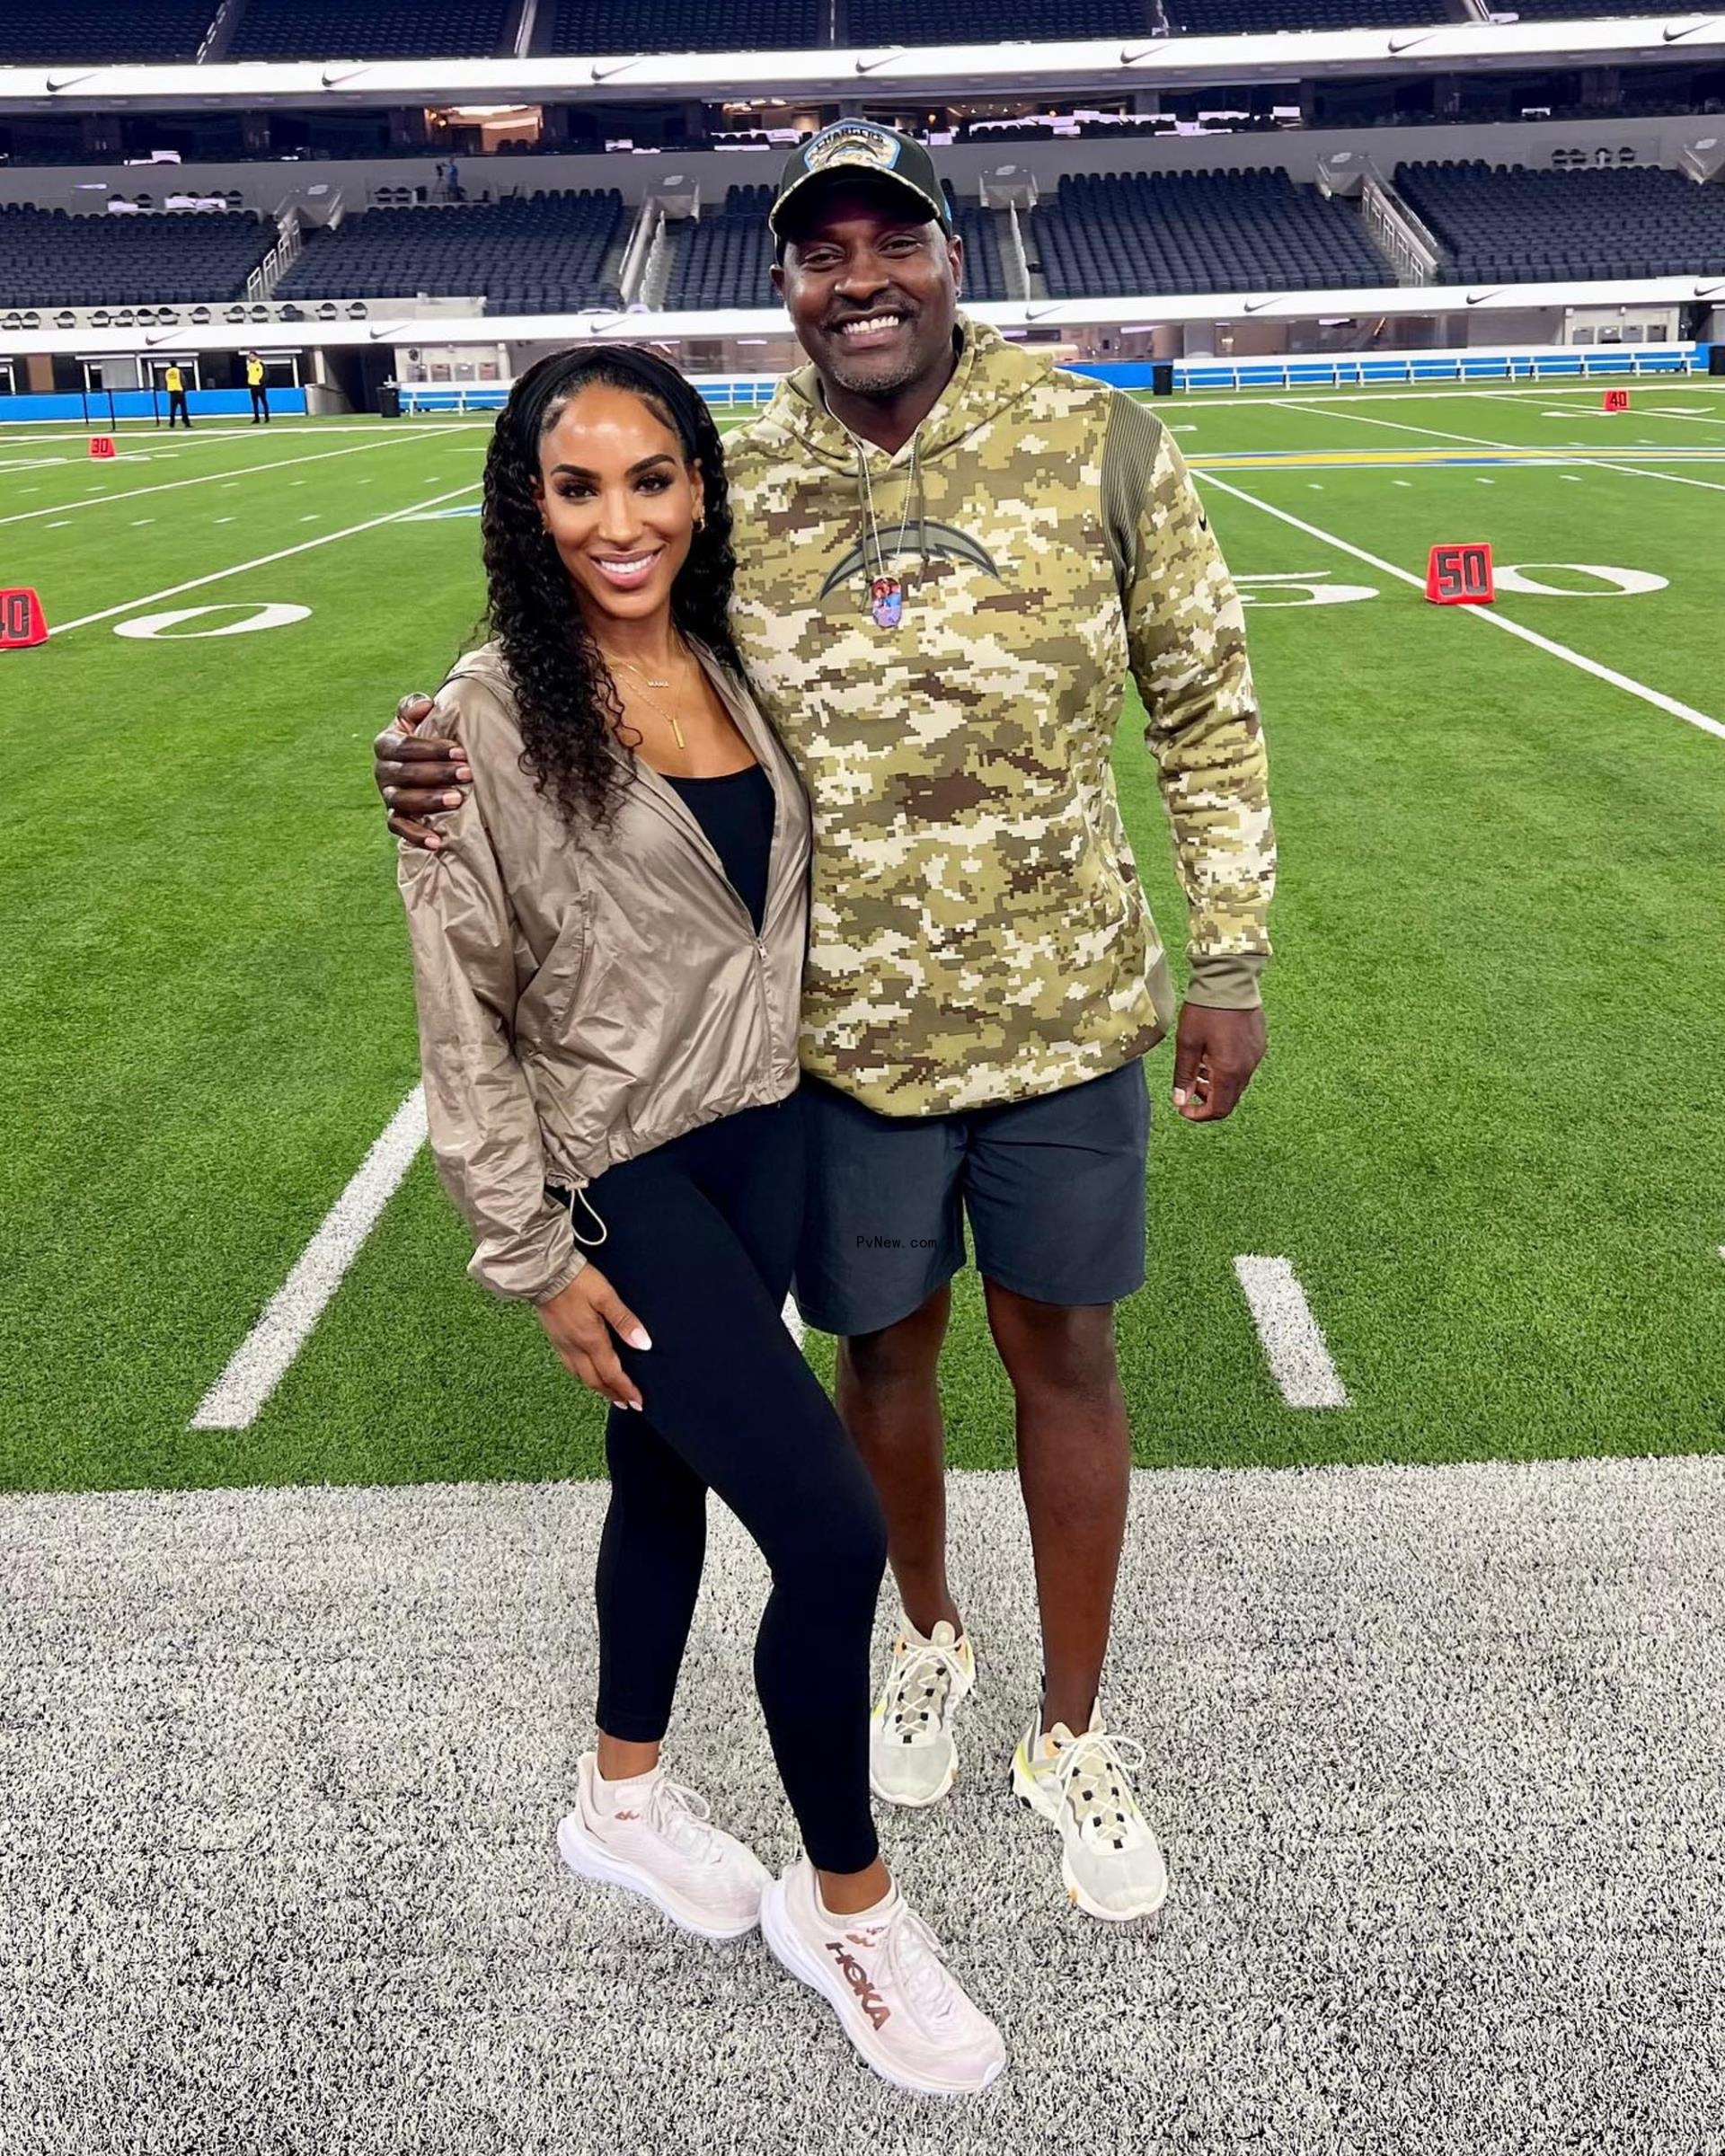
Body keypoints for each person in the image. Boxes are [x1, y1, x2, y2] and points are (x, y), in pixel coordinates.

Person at [376, 122, 1276, 1928]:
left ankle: (1074, 1732)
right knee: (880, 1366)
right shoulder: (743, 479)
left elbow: (1206, 701)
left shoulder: (1097, 440)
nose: (857, 275)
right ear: (782, 282)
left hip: (1065, 1012)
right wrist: (431, 746)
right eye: (817, 250)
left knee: (1068, 1361)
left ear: (952, 252)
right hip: (828, 1051)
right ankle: (925, 1642)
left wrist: (1231, 955)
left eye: (892, 239)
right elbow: (600, 646)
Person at [394, 342, 1004, 2098]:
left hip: (767, 1141)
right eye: (575, 486)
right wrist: (536, 1253)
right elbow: (464, 1014)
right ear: (524, 505)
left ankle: (622, 1796)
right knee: (830, 1543)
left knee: (659, 1478)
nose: (619, 519)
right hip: (625, 1174)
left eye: (651, 476)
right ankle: (854, 1915)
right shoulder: (484, 724)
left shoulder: (734, 663)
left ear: (700, 489)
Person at [163, 362, 191, 429]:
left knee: (172, 409)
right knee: (183, 408)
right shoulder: (178, 371)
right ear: (176, 364)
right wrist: (185, 389)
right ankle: (186, 422)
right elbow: (183, 380)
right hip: (179, 391)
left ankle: (172, 423)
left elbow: (166, 381)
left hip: (172, 392)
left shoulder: (168, 372)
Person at [245, 351, 270, 425]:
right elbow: (249, 374)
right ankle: (256, 418)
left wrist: (261, 381)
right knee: (255, 403)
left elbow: (266, 374)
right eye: (250, 356)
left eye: (252, 356)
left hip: (260, 386)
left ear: (256, 356)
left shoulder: (261, 364)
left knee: (264, 402)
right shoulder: (249, 365)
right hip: (252, 386)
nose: (251, 358)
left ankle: (267, 418)